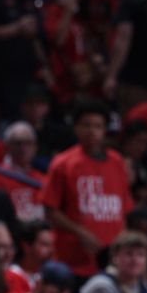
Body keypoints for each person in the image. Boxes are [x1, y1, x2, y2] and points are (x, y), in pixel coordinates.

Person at [41, 97, 133, 279]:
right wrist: (79, 232)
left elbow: (124, 210)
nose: (92, 131)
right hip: (73, 262)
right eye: (86, 125)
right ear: (76, 128)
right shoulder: (63, 163)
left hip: (112, 261)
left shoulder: (117, 162)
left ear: (105, 130)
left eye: (98, 126)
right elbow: (49, 210)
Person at [79, 230, 147, 293]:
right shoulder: (102, 286)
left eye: (140, 255)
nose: (135, 260)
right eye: (129, 254)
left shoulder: (143, 284)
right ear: (115, 257)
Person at [0, 121, 45, 222]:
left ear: (35, 147)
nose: (23, 148)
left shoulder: (43, 178)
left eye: (28, 143)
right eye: (18, 143)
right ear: (7, 147)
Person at [13, 220, 54, 289]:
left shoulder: (47, 276)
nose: (51, 250)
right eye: (44, 244)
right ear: (26, 246)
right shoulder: (12, 276)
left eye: (51, 245)